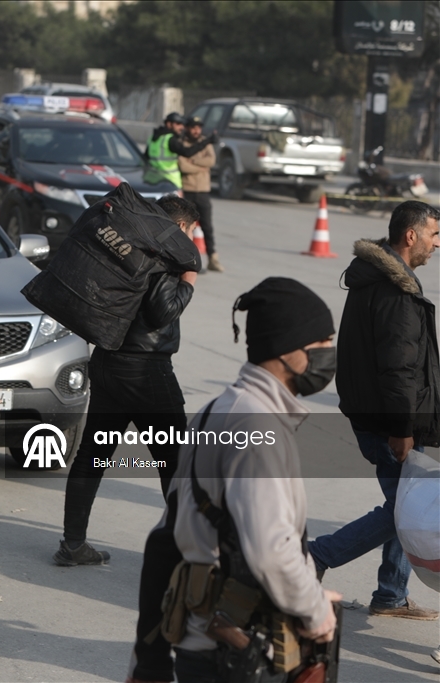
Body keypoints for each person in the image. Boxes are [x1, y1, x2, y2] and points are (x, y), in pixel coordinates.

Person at [169, 277, 343, 682]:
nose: (329, 355)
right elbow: (271, 549)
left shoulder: (223, 407)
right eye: (322, 344)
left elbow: (171, 527)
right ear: (287, 350)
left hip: (212, 640)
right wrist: (316, 611)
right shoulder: (256, 424)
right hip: (239, 652)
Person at [307, 201, 440, 621]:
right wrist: (403, 428)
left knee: (408, 503)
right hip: (391, 422)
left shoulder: (375, 279)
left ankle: (390, 594)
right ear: (412, 235)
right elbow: (398, 369)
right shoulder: (396, 294)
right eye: (435, 235)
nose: (438, 245)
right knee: (405, 513)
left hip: (381, 416)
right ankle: (317, 556)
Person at [55, 196, 199, 567]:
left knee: (92, 456)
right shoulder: (166, 253)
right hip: (145, 370)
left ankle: (73, 544)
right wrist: (188, 279)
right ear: (181, 227)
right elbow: (162, 310)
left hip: (107, 361)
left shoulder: (131, 243)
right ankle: (184, 554)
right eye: (192, 231)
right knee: (176, 462)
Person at [178, 116, 222, 273]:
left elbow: (211, 161)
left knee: (208, 227)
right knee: (186, 227)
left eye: (199, 127)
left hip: (203, 190)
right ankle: (187, 260)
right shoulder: (182, 143)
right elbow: (183, 166)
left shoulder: (205, 143)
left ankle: (213, 258)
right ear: (187, 128)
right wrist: (200, 165)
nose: (196, 130)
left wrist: (193, 161)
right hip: (188, 189)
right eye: (193, 127)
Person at [142, 113, 216, 190]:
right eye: (178, 124)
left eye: (182, 124)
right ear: (169, 124)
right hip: (170, 181)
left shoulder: (153, 138)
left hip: (152, 180)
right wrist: (207, 141)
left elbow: (145, 159)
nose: (181, 127)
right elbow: (187, 152)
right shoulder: (170, 139)